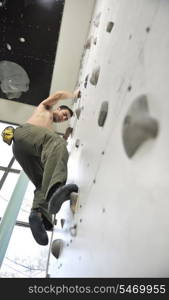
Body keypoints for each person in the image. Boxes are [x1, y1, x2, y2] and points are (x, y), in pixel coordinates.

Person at [12, 90, 80, 246]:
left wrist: (66, 136)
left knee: (44, 181)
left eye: (66, 118)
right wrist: (74, 95)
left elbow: (52, 151)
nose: (63, 118)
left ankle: (38, 214)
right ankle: (56, 191)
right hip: (24, 133)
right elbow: (58, 95)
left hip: (23, 149)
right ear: (57, 109)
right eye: (64, 114)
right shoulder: (45, 108)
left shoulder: (49, 131)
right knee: (57, 144)